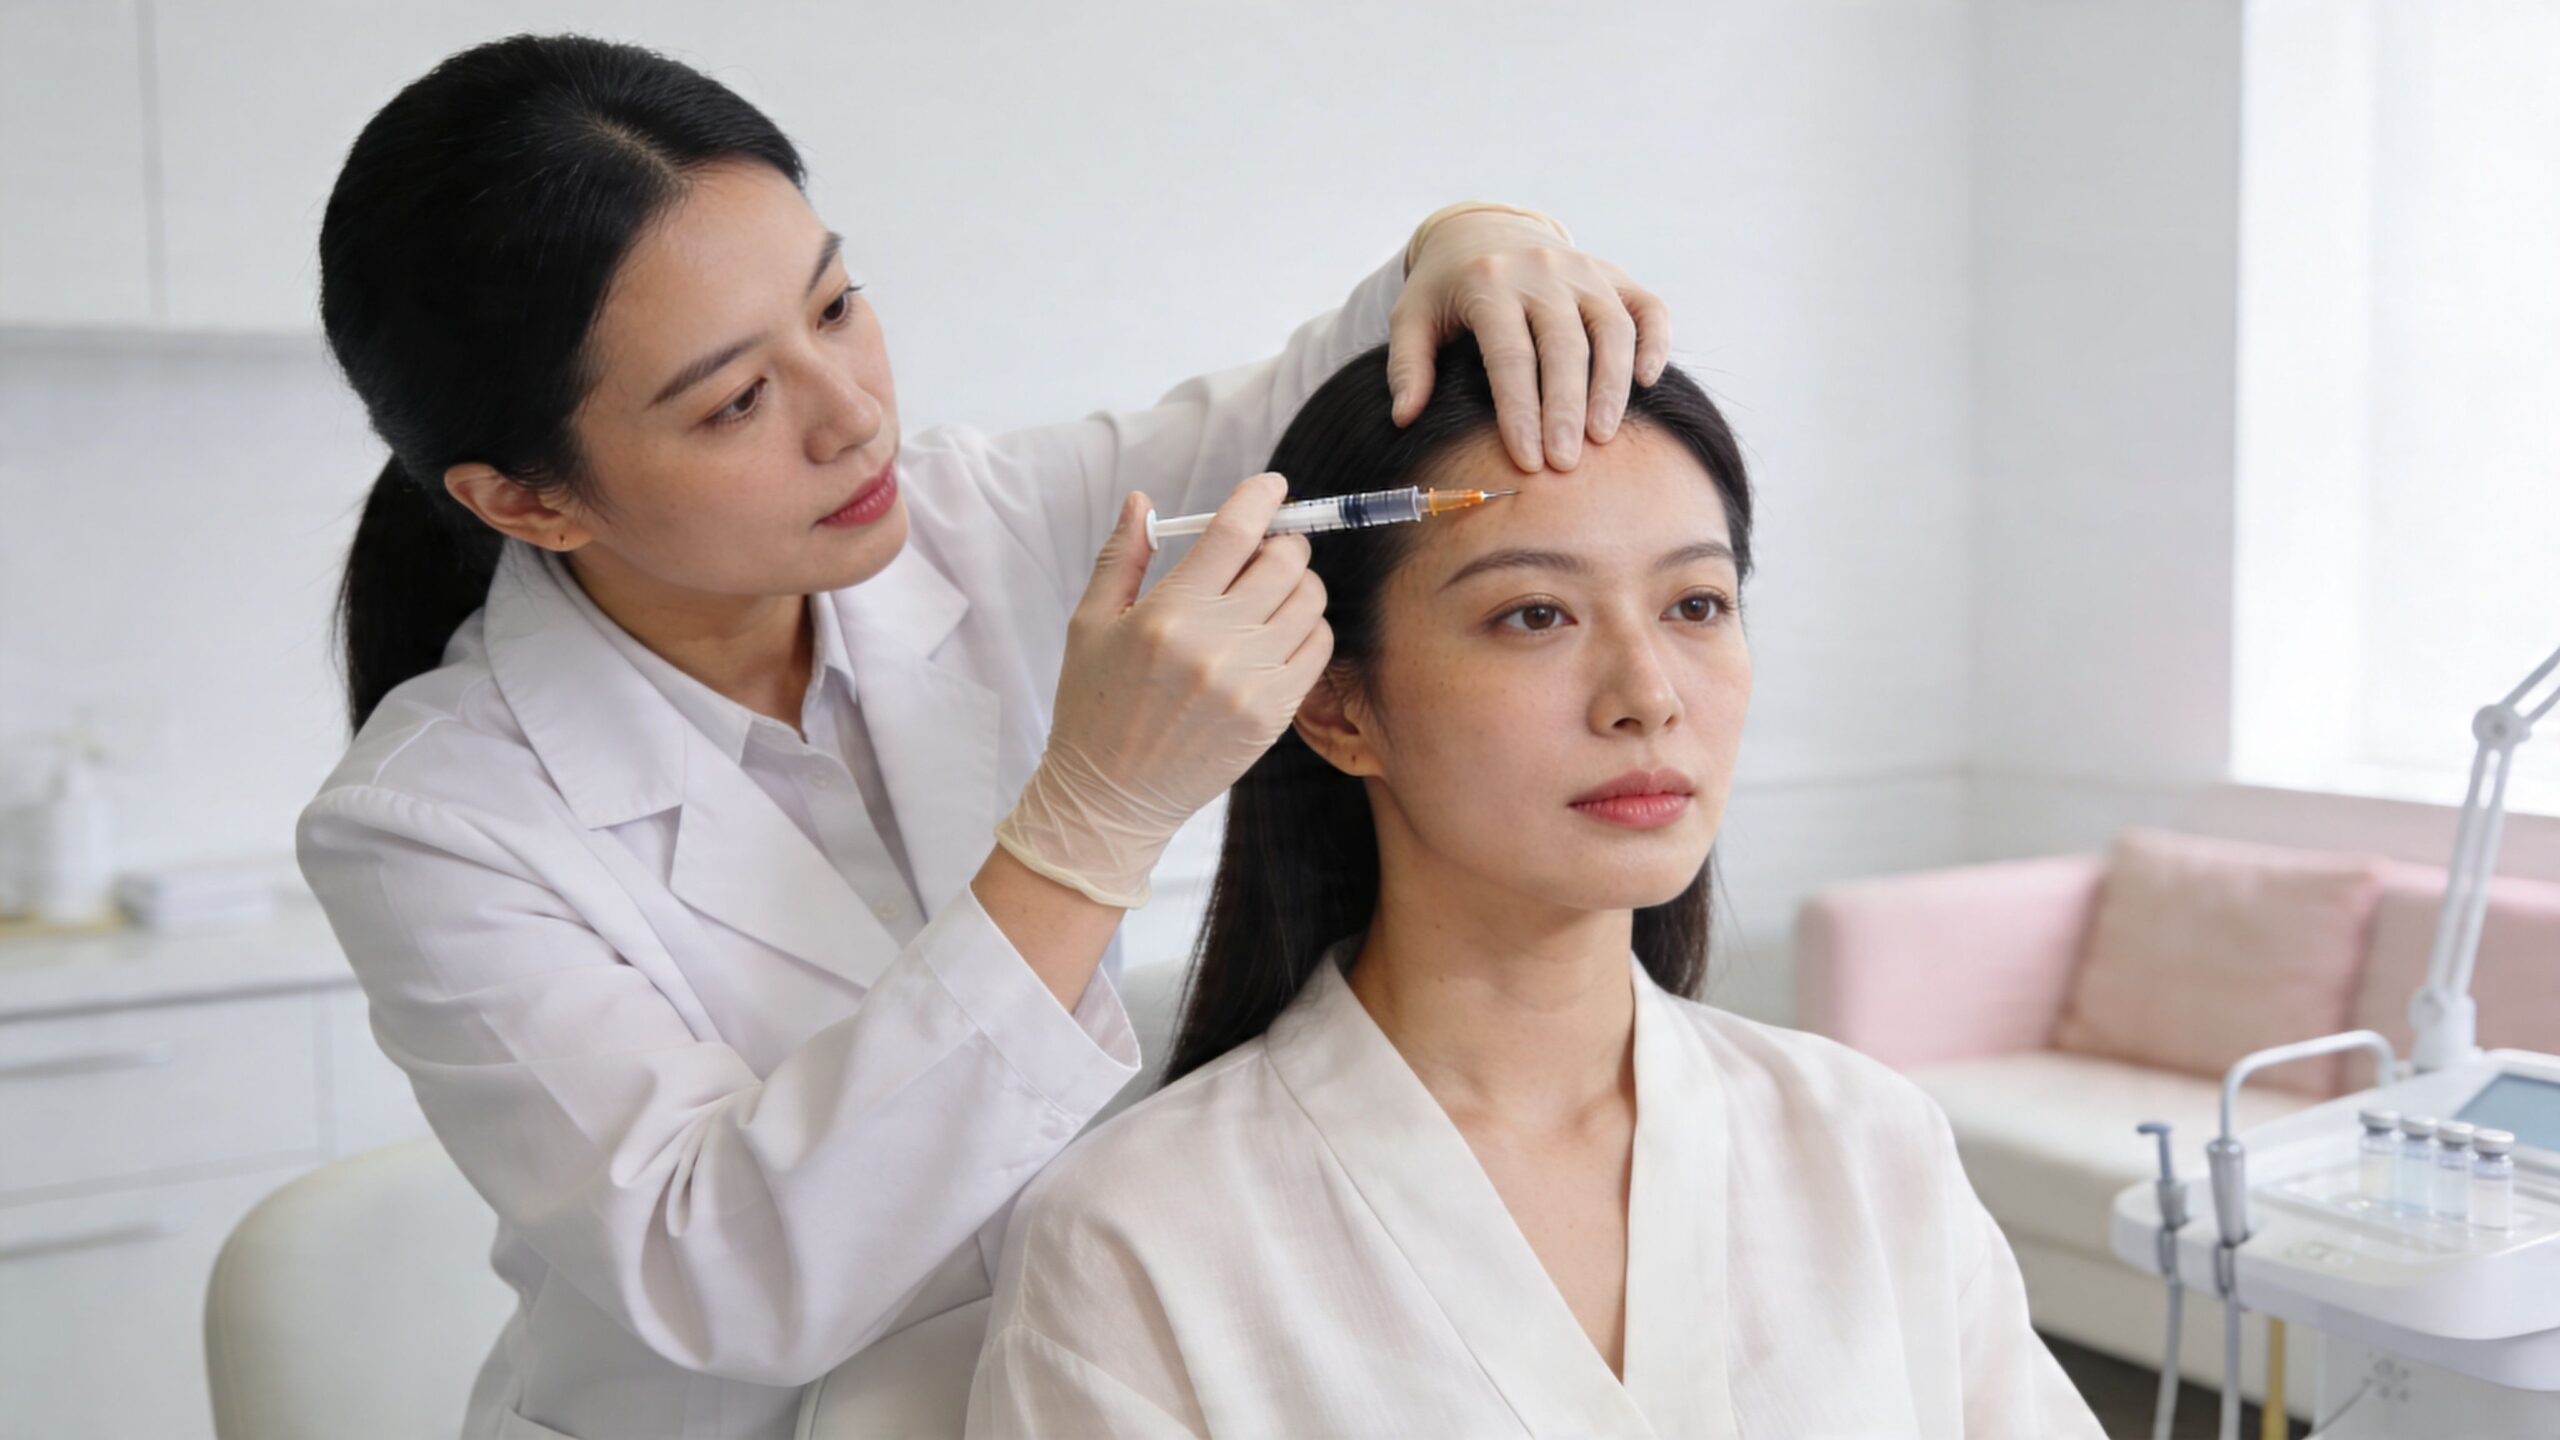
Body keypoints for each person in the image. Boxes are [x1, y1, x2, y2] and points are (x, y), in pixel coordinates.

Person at [292, 32, 1672, 1440]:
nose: (852, 417)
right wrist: (1087, 829)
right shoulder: (433, 824)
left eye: (834, 308)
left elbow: (1321, 404)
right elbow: (731, 1272)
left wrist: (1480, 239)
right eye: (735, 402)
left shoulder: (971, 520)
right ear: (531, 502)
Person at [964, 337, 2108, 1439]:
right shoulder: (1136, 1238)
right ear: (1338, 707)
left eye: (1695, 604)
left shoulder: (1865, 1142)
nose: (1647, 694)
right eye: (1534, 615)